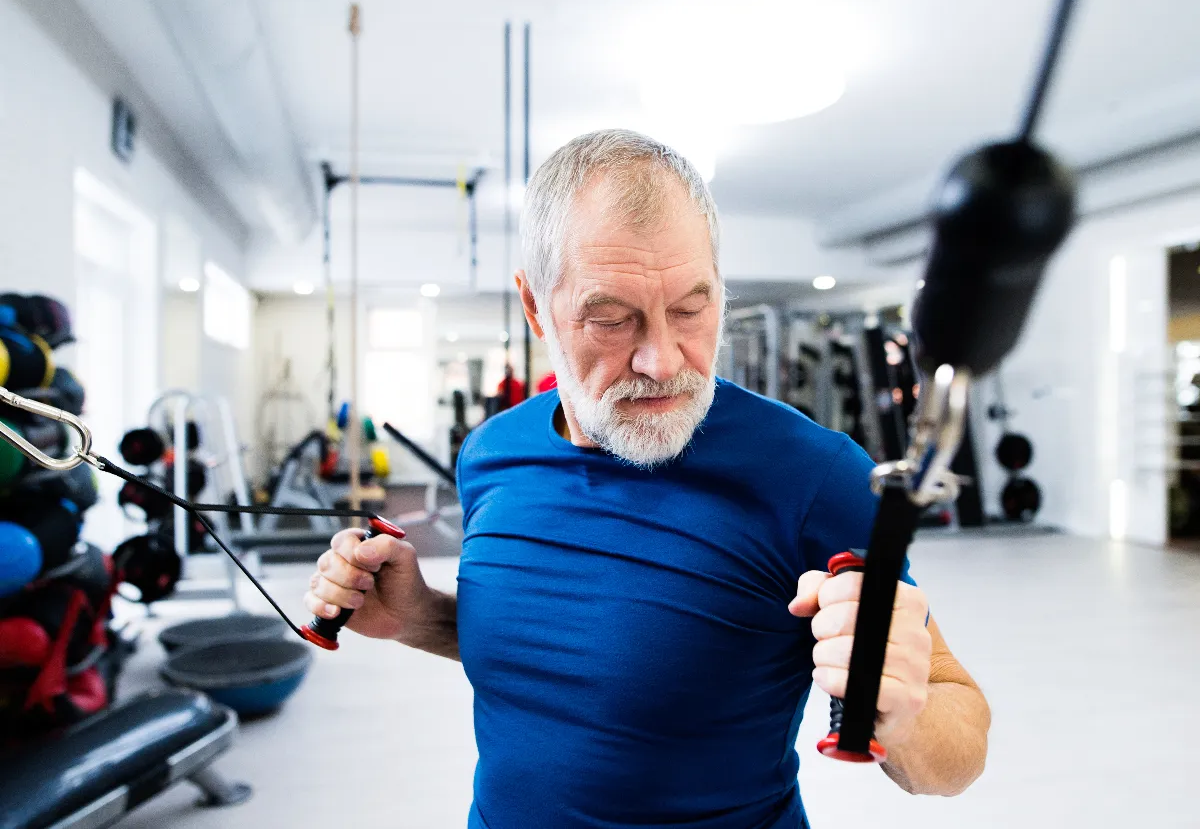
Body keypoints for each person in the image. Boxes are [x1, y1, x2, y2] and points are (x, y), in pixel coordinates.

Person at [305, 130, 991, 828]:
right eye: (611, 318)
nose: (663, 360)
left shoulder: (814, 475)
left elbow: (960, 739)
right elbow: (569, 663)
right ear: (536, 306)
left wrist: (905, 717)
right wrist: (418, 615)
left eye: (692, 309)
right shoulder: (491, 453)